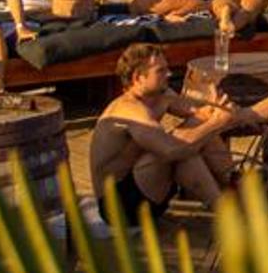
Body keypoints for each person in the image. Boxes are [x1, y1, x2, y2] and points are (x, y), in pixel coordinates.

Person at [89, 43, 238, 225]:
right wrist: (217, 122)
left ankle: (234, 185)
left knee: (196, 131)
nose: (169, 74)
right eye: (160, 71)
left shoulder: (161, 95)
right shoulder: (128, 110)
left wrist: (214, 108)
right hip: (119, 206)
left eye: (167, 68)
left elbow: (198, 113)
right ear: (138, 78)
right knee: (181, 151)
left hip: (148, 192)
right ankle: (227, 213)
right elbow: (171, 150)